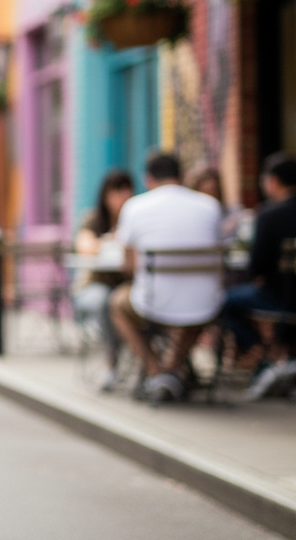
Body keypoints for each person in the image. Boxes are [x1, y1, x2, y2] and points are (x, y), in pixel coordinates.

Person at [109, 152, 223, 404]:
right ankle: (172, 368)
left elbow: (128, 267)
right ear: (181, 176)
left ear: (148, 179)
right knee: (197, 307)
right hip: (205, 303)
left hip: (152, 303)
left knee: (117, 303)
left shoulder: (135, 206)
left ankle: (155, 371)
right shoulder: (210, 206)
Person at [219, 153, 296, 400]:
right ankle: (286, 360)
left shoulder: (269, 215)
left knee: (222, 301)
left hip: (277, 298)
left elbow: (256, 265)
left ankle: (264, 358)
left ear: (273, 181)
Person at [73, 169, 133, 392]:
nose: (121, 197)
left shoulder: (135, 217)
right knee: (105, 301)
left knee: (132, 300)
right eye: (115, 191)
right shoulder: (93, 219)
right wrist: (112, 240)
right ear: (105, 195)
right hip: (94, 286)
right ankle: (112, 361)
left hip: (126, 285)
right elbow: (85, 247)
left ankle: (146, 366)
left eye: (126, 190)